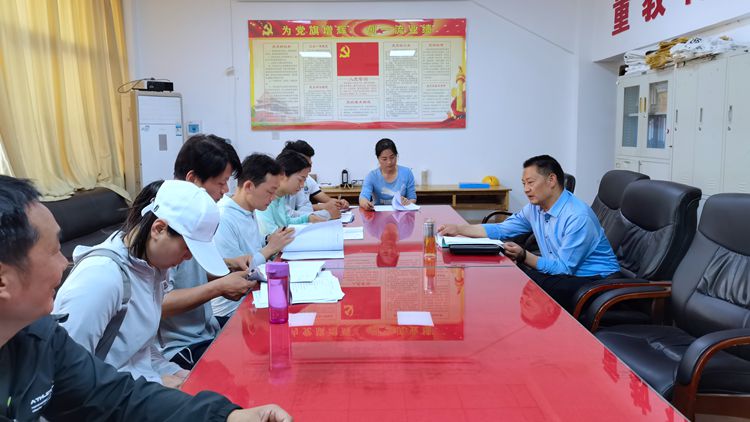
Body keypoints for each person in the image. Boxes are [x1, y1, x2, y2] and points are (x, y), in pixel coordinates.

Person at [0, 175, 291, 421]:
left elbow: (112, 389)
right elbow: (84, 394)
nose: (65, 264)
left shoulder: (41, 335)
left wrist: (225, 415)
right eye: (53, 251)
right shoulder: (100, 278)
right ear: (158, 229)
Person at [53, 180, 234, 388]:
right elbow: (67, 373)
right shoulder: (101, 278)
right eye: (187, 248)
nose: (189, 258)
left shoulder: (152, 270)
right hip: (106, 397)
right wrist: (156, 382)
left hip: (134, 387)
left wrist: (175, 372)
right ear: (159, 229)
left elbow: (140, 351)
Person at [438, 155, 619, 311]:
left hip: (596, 282)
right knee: (514, 275)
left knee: (525, 281)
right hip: (565, 274)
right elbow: (503, 229)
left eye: (530, 183)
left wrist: (524, 256)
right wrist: (459, 229)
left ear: (551, 180)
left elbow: (563, 269)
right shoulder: (535, 208)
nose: (526, 189)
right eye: (524, 184)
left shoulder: (577, 216)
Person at [160, 134, 257, 370]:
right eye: (221, 183)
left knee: (263, 333)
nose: (225, 191)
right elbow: (158, 302)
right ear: (193, 179)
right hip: (180, 346)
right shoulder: (167, 227)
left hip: (206, 328)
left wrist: (229, 266)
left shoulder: (201, 216)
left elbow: (189, 274)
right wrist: (219, 287)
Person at [211, 154, 296, 321]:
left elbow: (250, 247)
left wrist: (267, 240)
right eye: (270, 192)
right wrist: (270, 248)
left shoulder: (249, 209)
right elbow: (239, 271)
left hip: (253, 296)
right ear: (249, 186)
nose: (273, 198)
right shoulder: (223, 217)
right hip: (230, 311)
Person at [256, 150, 326, 235]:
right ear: (284, 175)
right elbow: (271, 234)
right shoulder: (266, 199)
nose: (302, 185)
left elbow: (286, 221)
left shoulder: (280, 196)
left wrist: (308, 218)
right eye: (300, 180)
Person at [281, 140, 348, 219]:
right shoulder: (278, 188)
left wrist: (337, 203)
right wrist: (325, 213)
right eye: (306, 162)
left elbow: (303, 207)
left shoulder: (302, 179)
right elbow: (289, 215)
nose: (310, 166)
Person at [359, 138, 417, 210]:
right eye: (384, 159)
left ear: (396, 156)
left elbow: (412, 198)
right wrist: (366, 204)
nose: (389, 162)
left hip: (401, 213)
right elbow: (363, 198)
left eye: (392, 157)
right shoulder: (372, 176)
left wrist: (407, 203)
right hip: (379, 215)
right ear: (378, 159)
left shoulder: (407, 173)